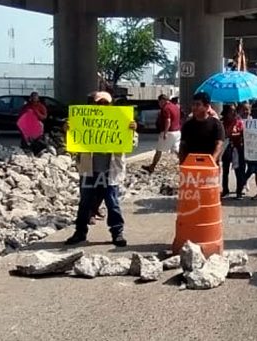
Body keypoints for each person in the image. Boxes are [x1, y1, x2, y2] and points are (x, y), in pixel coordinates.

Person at [64, 91, 137, 247]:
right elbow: (73, 143)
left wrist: (132, 131)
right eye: (99, 103)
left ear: (110, 105)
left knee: (112, 203)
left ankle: (117, 233)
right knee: (85, 202)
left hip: (110, 171)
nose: (102, 106)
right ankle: (80, 232)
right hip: (89, 170)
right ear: (93, 104)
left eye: (105, 103)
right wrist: (68, 129)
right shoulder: (83, 120)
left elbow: (133, 144)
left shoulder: (121, 120)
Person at [179, 91, 225, 163]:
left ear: (206, 107)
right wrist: (182, 162)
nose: (194, 107)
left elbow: (219, 145)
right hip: (191, 165)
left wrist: (212, 160)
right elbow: (182, 145)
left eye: (198, 105)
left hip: (209, 167)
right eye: (193, 104)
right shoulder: (188, 125)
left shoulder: (216, 124)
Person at [143, 94, 181, 173]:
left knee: (159, 150)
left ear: (162, 100)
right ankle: (185, 163)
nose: (159, 104)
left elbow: (168, 121)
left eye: (159, 102)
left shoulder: (165, 108)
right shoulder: (175, 106)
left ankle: (152, 167)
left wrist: (165, 133)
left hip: (169, 132)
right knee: (176, 149)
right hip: (177, 132)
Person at [220, 104, 246, 198]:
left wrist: (237, 134)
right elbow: (223, 135)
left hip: (237, 148)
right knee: (225, 170)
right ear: (226, 113)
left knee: (238, 170)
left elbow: (243, 133)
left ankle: (239, 191)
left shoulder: (239, 122)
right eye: (231, 111)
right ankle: (225, 189)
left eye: (234, 111)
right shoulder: (222, 123)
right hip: (226, 148)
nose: (234, 113)